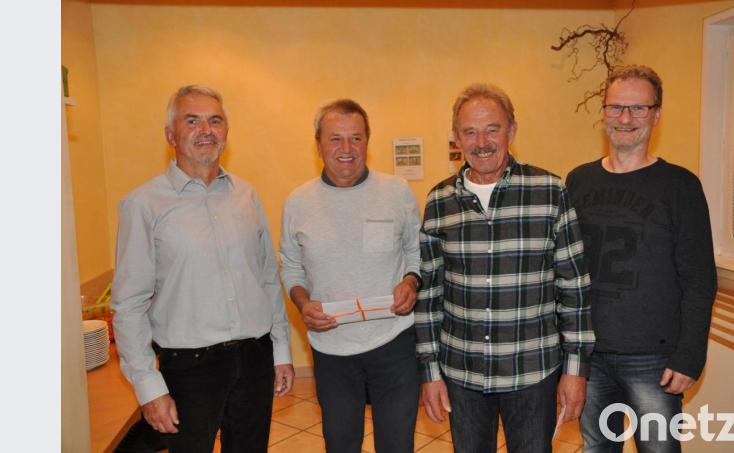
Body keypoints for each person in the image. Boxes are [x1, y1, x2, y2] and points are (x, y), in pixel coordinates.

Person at [110, 85, 294, 453]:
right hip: (189, 369)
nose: (206, 130)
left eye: (215, 120)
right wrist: (148, 386)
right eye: (191, 121)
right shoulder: (143, 204)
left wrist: (281, 351)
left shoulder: (247, 196)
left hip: (254, 358)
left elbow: (267, 279)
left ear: (226, 131)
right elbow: (128, 304)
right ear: (170, 135)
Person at [416, 83, 595, 452]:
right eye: (470, 131)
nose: (482, 141)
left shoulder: (549, 191)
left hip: (533, 371)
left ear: (511, 131)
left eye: (492, 129)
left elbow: (574, 289)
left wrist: (575, 370)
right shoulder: (439, 201)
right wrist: (430, 373)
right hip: (462, 374)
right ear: (456, 138)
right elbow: (429, 296)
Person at [566, 65, 717, 452]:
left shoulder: (680, 186)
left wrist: (689, 357)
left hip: (656, 359)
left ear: (656, 114)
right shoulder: (578, 181)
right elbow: (564, 270)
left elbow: (699, 278)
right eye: (616, 107)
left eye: (638, 108)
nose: (626, 118)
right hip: (590, 356)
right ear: (603, 113)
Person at [279, 99, 421, 453]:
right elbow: (291, 266)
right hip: (332, 350)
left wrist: (411, 281)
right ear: (318, 144)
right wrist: (302, 302)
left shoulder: (398, 192)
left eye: (356, 138)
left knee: (397, 446)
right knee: (341, 445)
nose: (346, 149)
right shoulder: (298, 202)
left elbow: (416, 253)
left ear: (367, 142)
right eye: (335, 139)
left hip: (394, 342)